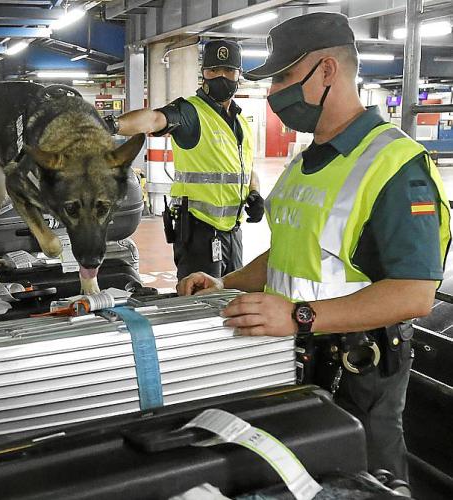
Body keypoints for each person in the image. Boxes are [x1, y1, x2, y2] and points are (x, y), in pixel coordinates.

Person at [177, 12, 450, 483]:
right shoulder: (305, 162)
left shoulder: (396, 165)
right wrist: (225, 284)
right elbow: (288, 252)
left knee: (370, 479)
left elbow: (414, 294)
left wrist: (299, 316)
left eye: (283, 77)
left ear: (326, 71)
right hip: (297, 359)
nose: (273, 92)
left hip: (358, 370)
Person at [107, 40, 264, 280]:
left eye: (228, 70)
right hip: (199, 233)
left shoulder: (241, 121)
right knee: (199, 297)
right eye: (214, 70)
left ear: (238, 74)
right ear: (203, 73)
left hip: (232, 231)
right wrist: (112, 125)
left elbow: (247, 168)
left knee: (233, 293)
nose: (221, 77)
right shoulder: (190, 111)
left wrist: (255, 193)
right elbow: (154, 119)